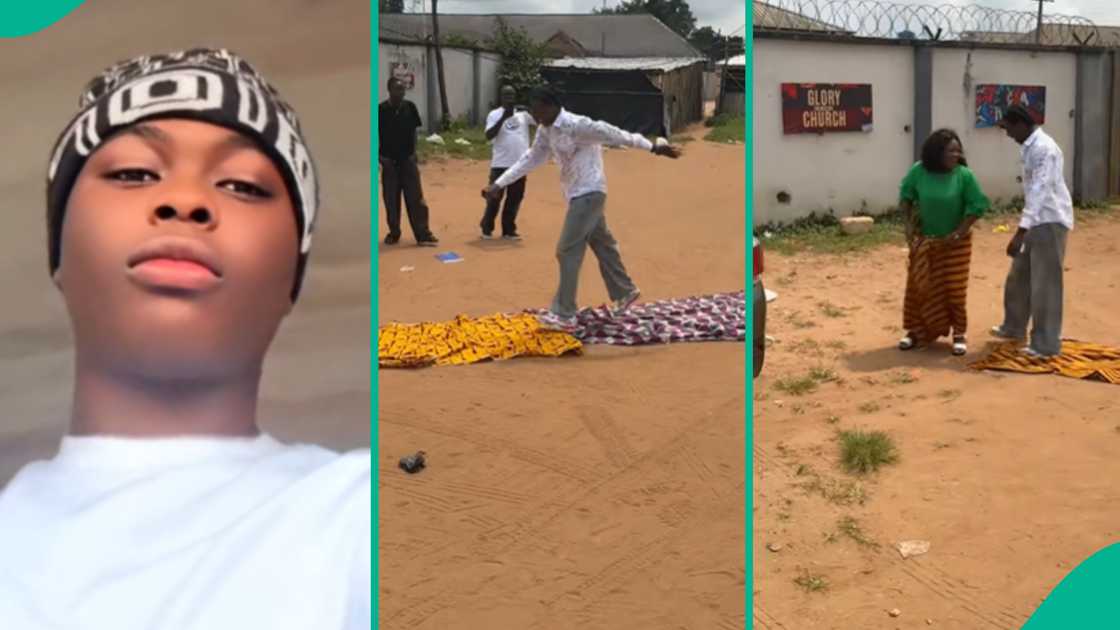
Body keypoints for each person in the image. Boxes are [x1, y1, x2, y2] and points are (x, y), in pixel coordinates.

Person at [0, 49, 370, 630]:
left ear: (291, 278)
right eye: (133, 173)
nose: (186, 200)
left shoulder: (354, 513)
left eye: (242, 185)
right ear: (59, 250)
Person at [483, 85, 681, 332]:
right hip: (575, 194)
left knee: (567, 249)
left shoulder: (577, 125)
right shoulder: (545, 130)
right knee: (602, 243)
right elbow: (531, 158)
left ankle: (564, 313)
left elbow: (614, 133)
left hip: (589, 192)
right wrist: (499, 183)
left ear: (551, 106)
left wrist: (652, 147)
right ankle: (625, 291)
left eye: (538, 109)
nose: (535, 115)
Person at [992, 103, 1075, 358]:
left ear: (1020, 124)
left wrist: (1020, 231)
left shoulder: (1044, 149)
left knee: (1045, 286)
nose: (1007, 134)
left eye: (1008, 128)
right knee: (1019, 277)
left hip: (1049, 222)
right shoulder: (1029, 146)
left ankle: (1046, 344)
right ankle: (1014, 326)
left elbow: (1040, 190)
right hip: (1035, 222)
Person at [897, 129, 990, 356]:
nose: (956, 155)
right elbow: (906, 196)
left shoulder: (964, 176)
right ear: (936, 152)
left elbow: (976, 206)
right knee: (919, 288)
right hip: (925, 243)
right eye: (950, 151)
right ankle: (915, 331)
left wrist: (960, 232)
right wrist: (908, 225)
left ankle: (959, 333)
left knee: (955, 290)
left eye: (958, 151)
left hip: (955, 245)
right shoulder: (919, 171)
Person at [379, 76, 438, 246]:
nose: (401, 92)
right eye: (397, 89)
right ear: (389, 90)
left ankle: (423, 234)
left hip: (407, 160)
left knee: (416, 199)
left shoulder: (410, 107)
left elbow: (414, 132)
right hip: (389, 162)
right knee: (391, 200)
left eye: (403, 89)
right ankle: (394, 233)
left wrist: (414, 152)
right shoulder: (380, 110)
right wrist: (380, 157)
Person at [480, 85, 535, 240]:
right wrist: (504, 117)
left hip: (520, 164)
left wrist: (529, 108)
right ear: (501, 97)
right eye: (506, 95)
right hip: (500, 163)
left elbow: (540, 120)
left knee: (514, 199)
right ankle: (486, 228)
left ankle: (508, 230)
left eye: (512, 95)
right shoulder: (494, 114)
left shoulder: (523, 115)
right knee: (494, 198)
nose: (509, 98)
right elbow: (489, 135)